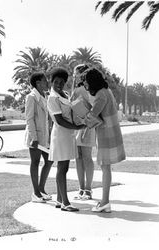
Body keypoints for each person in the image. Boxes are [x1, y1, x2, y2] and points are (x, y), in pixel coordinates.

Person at [83, 68, 126, 212]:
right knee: (105, 167)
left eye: (86, 82)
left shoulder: (101, 94)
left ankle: (105, 202)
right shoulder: (106, 91)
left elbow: (93, 114)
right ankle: (104, 202)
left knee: (105, 167)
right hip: (109, 132)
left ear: (92, 82)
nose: (85, 85)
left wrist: (82, 117)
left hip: (106, 135)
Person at [47, 67, 85, 212]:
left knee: (64, 168)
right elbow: (59, 120)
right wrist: (77, 128)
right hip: (61, 135)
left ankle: (59, 199)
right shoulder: (52, 98)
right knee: (62, 169)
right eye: (56, 81)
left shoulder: (65, 94)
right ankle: (65, 203)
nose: (59, 84)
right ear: (52, 81)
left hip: (68, 134)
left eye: (62, 82)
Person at [25, 72, 53, 203]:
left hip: (45, 137)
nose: (47, 82)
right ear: (38, 83)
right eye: (44, 80)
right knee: (35, 162)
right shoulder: (31, 97)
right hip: (35, 137)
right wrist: (34, 138)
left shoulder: (45, 96)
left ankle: (41, 189)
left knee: (49, 161)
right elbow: (29, 119)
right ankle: (35, 193)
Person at [70, 64, 96, 200]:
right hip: (76, 127)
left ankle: (88, 189)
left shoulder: (88, 89)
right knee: (78, 158)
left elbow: (94, 109)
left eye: (76, 73)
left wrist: (87, 127)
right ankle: (81, 189)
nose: (74, 76)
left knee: (87, 157)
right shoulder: (75, 89)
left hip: (88, 126)